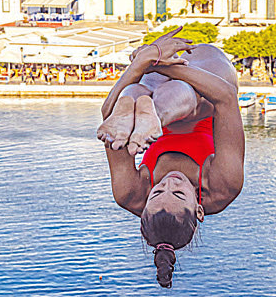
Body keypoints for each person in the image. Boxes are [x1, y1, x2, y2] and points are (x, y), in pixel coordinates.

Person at [97, 27, 245, 288]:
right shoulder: (222, 187)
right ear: (199, 210)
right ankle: (153, 115)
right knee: (185, 96)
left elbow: (108, 114)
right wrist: (153, 62)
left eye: (157, 191)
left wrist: (144, 63)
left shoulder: (129, 193)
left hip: (153, 91)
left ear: (143, 205)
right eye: (179, 193)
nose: (169, 182)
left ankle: (146, 110)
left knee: (133, 95)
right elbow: (226, 99)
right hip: (207, 88)